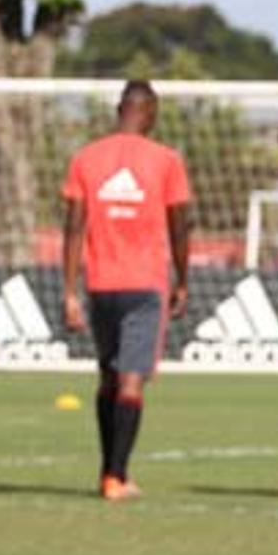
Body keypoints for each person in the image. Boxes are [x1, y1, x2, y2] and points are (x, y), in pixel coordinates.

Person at [61, 80, 191, 500]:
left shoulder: (87, 158)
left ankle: (108, 470)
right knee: (131, 382)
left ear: (120, 110)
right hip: (144, 285)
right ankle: (117, 475)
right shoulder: (166, 160)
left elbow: (73, 228)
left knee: (108, 378)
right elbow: (179, 226)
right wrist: (184, 280)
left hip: (100, 285)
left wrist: (68, 290)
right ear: (149, 112)